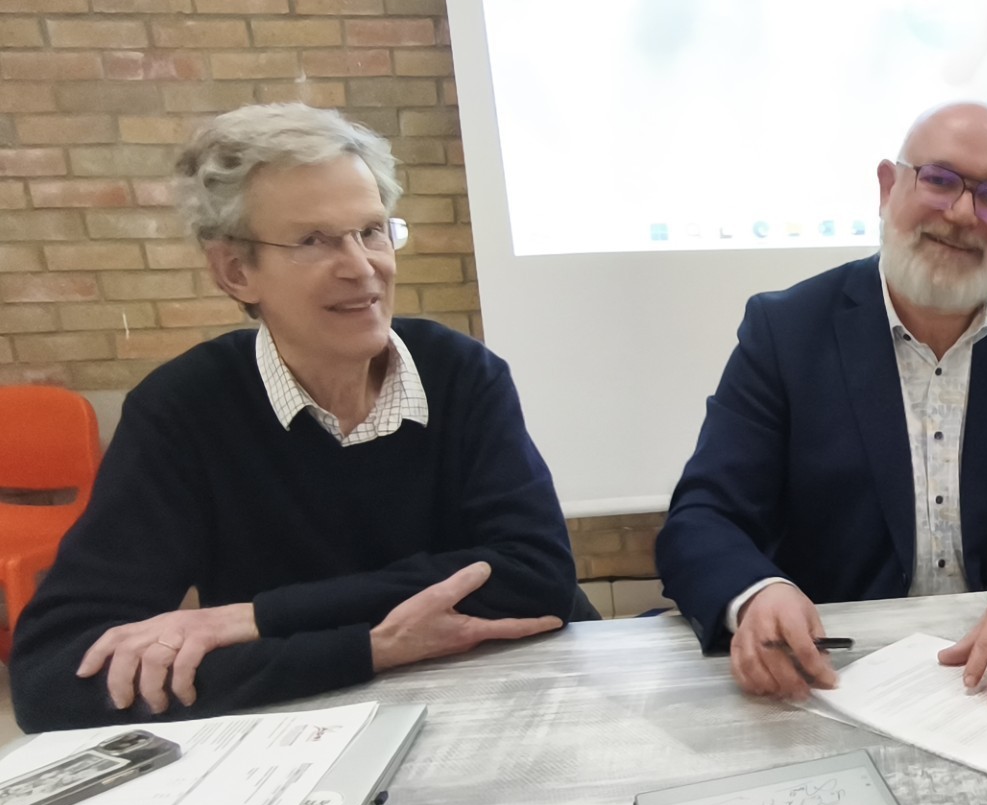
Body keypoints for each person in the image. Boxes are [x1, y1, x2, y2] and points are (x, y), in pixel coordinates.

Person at [10, 103, 587, 732]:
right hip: (307, 740)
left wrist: (255, 619)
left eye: (371, 231)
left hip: (505, 706)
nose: (361, 267)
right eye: (314, 241)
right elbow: (54, 678)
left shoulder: (462, 373)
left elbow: (536, 578)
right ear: (235, 272)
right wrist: (367, 649)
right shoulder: (185, 410)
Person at [656, 101, 987, 704]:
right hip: (831, 679)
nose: (961, 213)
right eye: (939, 180)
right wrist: (757, 593)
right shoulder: (786, 333)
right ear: (888, 187)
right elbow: (703, 517)